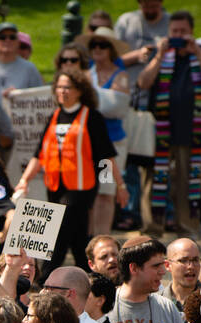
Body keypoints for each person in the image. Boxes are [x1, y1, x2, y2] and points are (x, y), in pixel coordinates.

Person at [16, 71, 127, 275]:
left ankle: (45, 277)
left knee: (59, 230)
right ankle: (92, 275)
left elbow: (106, 156)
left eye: (67, 87)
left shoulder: (91, 116)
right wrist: (24, 181)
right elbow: (39, 154)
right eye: (59, 87)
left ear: (79, 91)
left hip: (82, 188)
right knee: (77, 237)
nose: (62, 91)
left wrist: (119, 185)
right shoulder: (54, 116)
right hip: (56, 187)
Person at [137, 11, 201, 237]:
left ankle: (187, 228)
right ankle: (152, 230)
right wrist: (159, 55)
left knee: (189, 183)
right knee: (153, 182)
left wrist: (196, 51)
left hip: (193, 133)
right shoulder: (160, 54)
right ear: (168, 33)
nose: (178, 35)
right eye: (174, 31)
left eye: (183, 32)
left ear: (191, 33)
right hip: (161, 133)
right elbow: (143, 82)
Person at [82, 26, 132, 236]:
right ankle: (89, 241)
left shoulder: (121, 76)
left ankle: (102, 238)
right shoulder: (85, 74)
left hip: (111, 144)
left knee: (105, 191)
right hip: (87, 143)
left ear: (111, 49)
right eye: (94, 45)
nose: (98, 49)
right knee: (89, 194)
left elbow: (117, 108)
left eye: (103, 45)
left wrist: (93, 99)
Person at [0, 21, 44, 102]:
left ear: (18, 42)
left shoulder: (30, 69)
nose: (7, 40)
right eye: (2, 37)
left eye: (12, 37)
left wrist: (20, 95)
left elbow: (41, 99)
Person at [162, 237, 201, 308]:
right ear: (168, 265)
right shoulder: (156, 303)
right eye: (183, 261)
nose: (191, 266)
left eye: (195, 260)